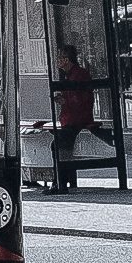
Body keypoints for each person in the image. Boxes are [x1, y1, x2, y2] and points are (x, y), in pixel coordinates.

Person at [51, 45, 97, 192]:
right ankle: (60, 180)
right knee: (58, 143)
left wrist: (66, 101)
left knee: (59, 144)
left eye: (59, 58)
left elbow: (83, 100)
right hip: (70, 119)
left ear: (66, 59)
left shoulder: (79, 74)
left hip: (78, 119)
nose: (57, 61)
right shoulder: (69, 75)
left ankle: (60, 181)